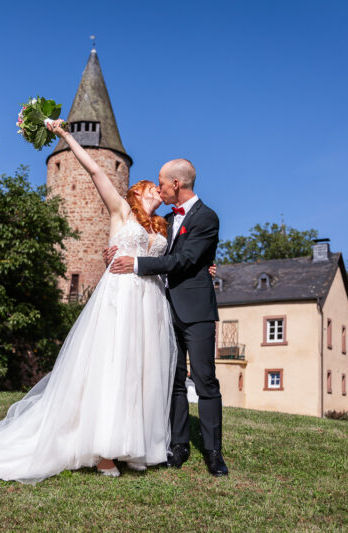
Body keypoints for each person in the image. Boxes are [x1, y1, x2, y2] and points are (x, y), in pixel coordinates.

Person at [0, 119, 177, 484]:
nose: (154, 189)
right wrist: (63, 135)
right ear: (134, 195)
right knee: (113, 366)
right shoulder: (121, 211)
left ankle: (137, 446)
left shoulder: (162, 227)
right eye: (148, 186)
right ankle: (104, 452)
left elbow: (173, 260)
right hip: (120, 298)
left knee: (141, 371)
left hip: (149, 303)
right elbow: (93, 169)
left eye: (157, 186)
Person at [107, 158, 228, 476]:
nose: (159, 188)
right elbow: (149, 245)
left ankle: (213, 453)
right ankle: (178, 446)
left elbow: (187, 259)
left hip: (197, 310)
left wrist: (136, 264)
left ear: (177, 184)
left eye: (162, 182)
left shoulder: (207, 218)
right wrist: (115, 251)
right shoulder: (165, 221)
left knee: (204, 380)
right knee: (174, 382)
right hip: (163, 307)